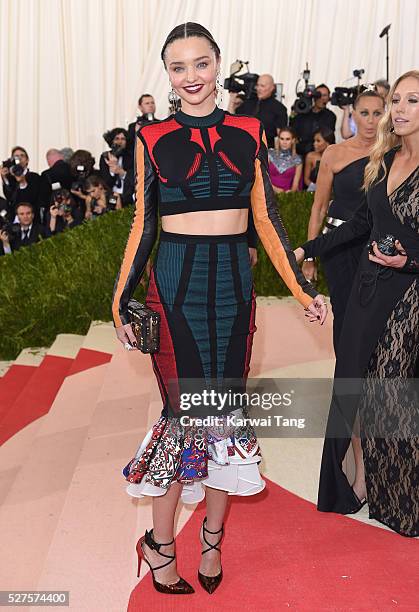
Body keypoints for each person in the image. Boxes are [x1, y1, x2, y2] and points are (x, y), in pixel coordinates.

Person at [112, 22, 327, 596]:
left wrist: (304, 292)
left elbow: (268, 220)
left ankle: (210, 539)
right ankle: (159, 546)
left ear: (218, 64)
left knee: (225, 414)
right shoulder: (150, 135)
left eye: (201, 64)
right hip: (175, 282)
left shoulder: (249, 129)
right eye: (178, 68)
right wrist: (120, 300)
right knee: (183, 416)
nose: (191, 78)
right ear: (168, 75)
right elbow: (143, 223)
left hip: (233, 283)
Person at [295, 70, 419, 537]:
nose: (401, 109)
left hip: (410, 295)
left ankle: (404, 500)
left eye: (413, 100)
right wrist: (309, 249)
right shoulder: (385, 161)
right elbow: (357, 224)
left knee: (392, 390)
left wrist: (411, 258)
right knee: (356, 383)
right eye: (398, 101)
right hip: (369, 287)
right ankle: (364, 483)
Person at [302, 90, 385, 350]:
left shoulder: (394, 153)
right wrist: (309, 256)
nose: (370, 121)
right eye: (364, 113)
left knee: (376, 315)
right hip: (338, 246)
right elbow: (319, 208)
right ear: (352, 116)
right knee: (346, 313)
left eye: (377, 113)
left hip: (378, 246)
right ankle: (346, 384)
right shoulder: (334, 153)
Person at [230, 74, 288, 148]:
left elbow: (281, 136)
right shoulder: (248, 102)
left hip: (264, 149)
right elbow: (231, 122)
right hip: (241, 145)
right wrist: (232, 100)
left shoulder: (279, 108)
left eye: (262, 86)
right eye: (257, 85)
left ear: (272, 88)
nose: (259, 89)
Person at [291, 84, 336, 156]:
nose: (322, 98)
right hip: (299, 153)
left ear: (328, 98)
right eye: (319, 95)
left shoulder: (330, 116)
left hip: (319, 155)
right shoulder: (302, 113)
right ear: (314, 97)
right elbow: (292, 132)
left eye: (325, 95)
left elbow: (327, 138)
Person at [1, 147, 41, 221]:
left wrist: (23, 182)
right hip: (14, 218)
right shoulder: (10, 178)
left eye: (22, 156)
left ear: (27, 160)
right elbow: (9, 197)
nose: (19, 158)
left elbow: (33, 197)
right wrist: (4, 178)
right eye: (16, 157)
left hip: (31, 218)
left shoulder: (35, 177)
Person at [99, 128, 134, 206]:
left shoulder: (132, 157)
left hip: (128, 196)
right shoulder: (105, 157)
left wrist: (122, 172)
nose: (120, 142)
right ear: (112, 141)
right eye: (117, 139)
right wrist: (112, 170)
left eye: (123, 139)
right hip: (111, 196)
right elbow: (105, 181)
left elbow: (134, 179)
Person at [268, 127, 303, 193]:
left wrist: (289, 192)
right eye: (282, 139)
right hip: (267, 193)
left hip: (285, 196)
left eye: (287, 139)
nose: (284, 142)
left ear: (293, 140)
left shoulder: (298, 160)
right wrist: (275, 189)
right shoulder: (270, 154)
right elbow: (262, 177)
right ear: (278, 139)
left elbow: (295, 185)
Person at [303, 127, 335, 191]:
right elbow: (306, 180)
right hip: (313, 191)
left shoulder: (335, 157)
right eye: (314, 141)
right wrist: (318, 190)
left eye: (318, 141)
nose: (314, 144)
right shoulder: (310, 156)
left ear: (327, 143)